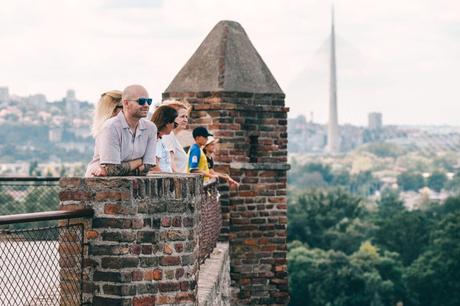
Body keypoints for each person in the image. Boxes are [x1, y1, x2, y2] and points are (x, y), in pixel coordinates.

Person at [88, 84, 157, 176]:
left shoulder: (150, 128)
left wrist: (118, 169)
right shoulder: (110, 127)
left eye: (149, 101)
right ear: (126, 104)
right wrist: (140, 161)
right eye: (141, 101)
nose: (146, 105)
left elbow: (147, 167)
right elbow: (114, 170)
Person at [85, 90, 126, 177]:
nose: (128, 110)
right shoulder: (107, 129)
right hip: (99, 177)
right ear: (112, 109)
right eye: (124, 106)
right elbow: (112, 165)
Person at [160, 100, 190, 173]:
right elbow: (170, 165)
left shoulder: (172, 136)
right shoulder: (169, 136)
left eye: (186, 117)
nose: (185, 120)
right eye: (182, 116)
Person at [150, 105, 178, 173]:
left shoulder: (158, 139)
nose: (175, 126)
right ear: (167, 123)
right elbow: (154, 167)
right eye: (174, 123)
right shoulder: (154, 139)